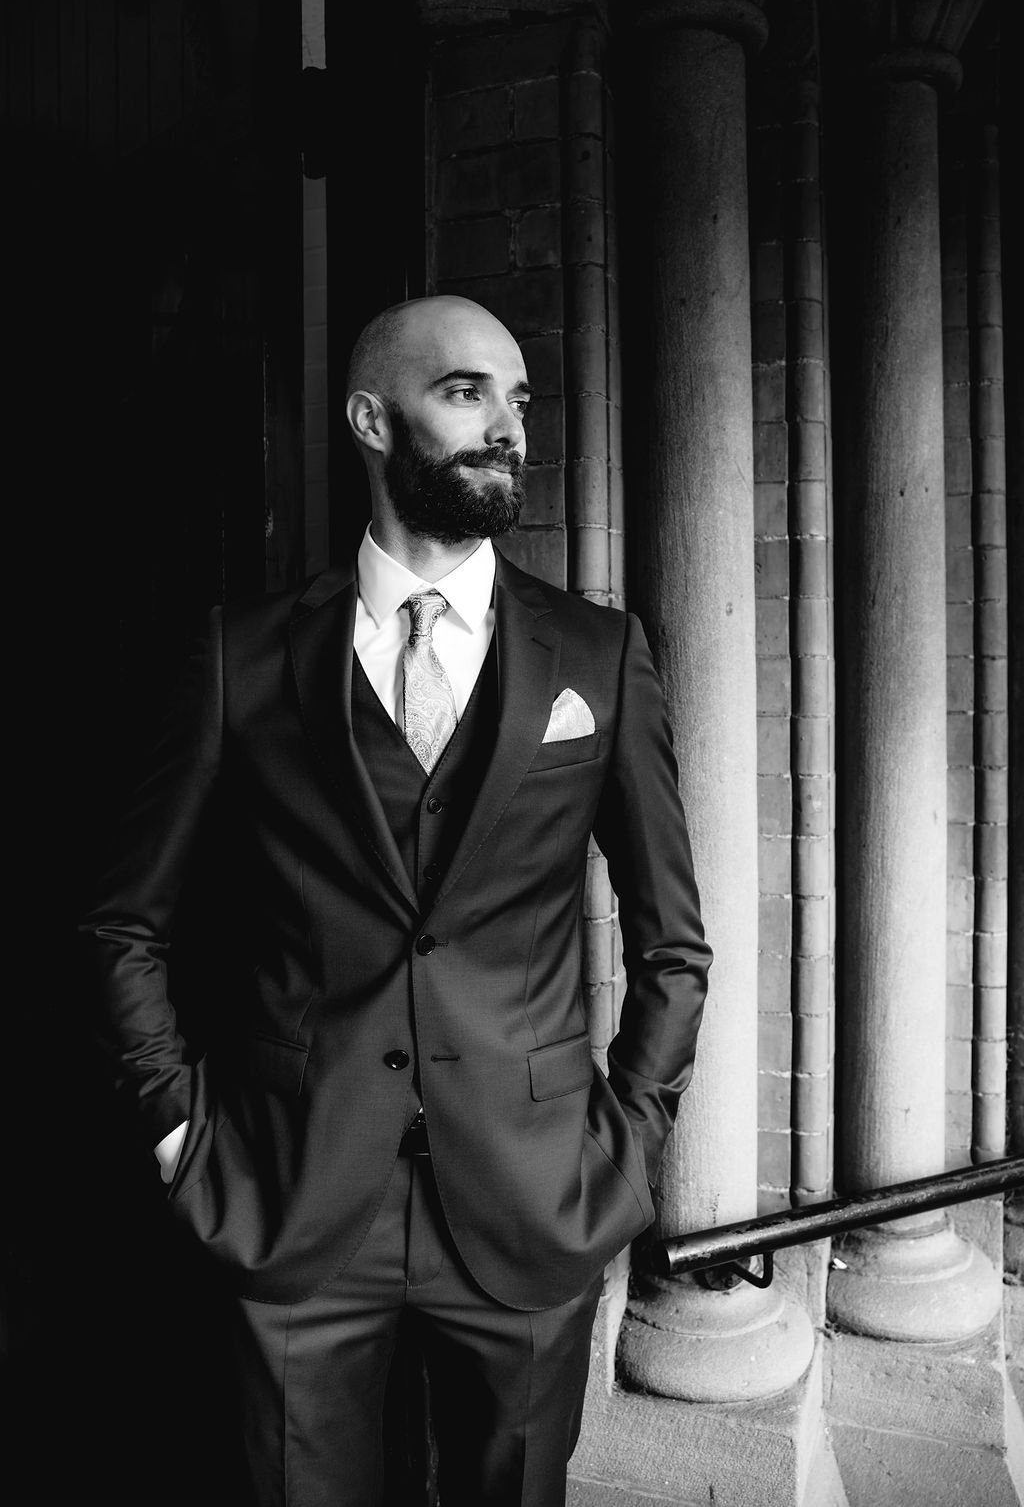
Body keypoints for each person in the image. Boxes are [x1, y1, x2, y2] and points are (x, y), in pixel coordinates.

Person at [80, 293, 712, 1506]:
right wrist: (179, 1135)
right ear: (372, 419)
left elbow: (672, 942)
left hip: (534, 1193)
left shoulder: (596, 653)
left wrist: (627, 1149)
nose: (506, 425)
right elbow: (124, 924)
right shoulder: (242, 655)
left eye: (517, 398)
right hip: (290, 1195)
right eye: (464, 392)